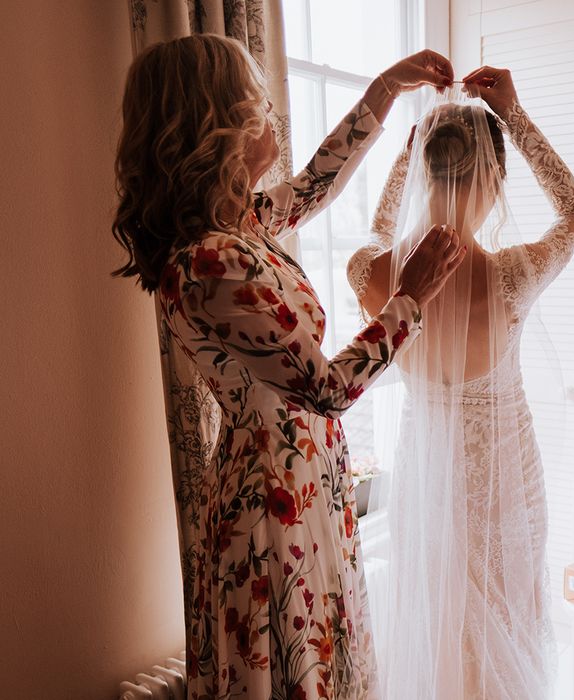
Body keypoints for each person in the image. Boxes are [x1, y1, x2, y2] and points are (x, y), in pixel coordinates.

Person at [112, 33, 465, 700]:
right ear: (217, 127)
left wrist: (384, 89)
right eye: (257, 101)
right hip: (274, 505)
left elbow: (314, 184)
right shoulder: (208, 261)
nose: (270, 113)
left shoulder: (241, 227)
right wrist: (410, 297)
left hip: (302, 480)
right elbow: (326, 389)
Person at [347, 66, 574, 699]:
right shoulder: (514, 277)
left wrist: (405, 155)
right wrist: (517, 117)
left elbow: (376, 232)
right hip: (506, 488)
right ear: (496, 177)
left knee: (440, 633)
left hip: (427, 484)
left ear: (425, 170)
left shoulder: (372, 277)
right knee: (507, 631)